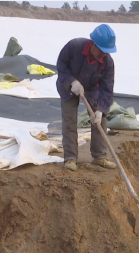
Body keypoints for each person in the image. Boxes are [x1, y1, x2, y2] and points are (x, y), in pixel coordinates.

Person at [56, 24, 118, 171]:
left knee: (99, 119)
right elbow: (61, 66)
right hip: (68, 86)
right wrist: (72, 81)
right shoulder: (74, 46)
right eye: (102, 51)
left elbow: (107, 89)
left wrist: (101, 110)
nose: (103, 55)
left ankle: (99, 156)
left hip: (91, 88)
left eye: (106, 52)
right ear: (93, 44)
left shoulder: (107, 62)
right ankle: (70, 158)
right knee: (70, 120)